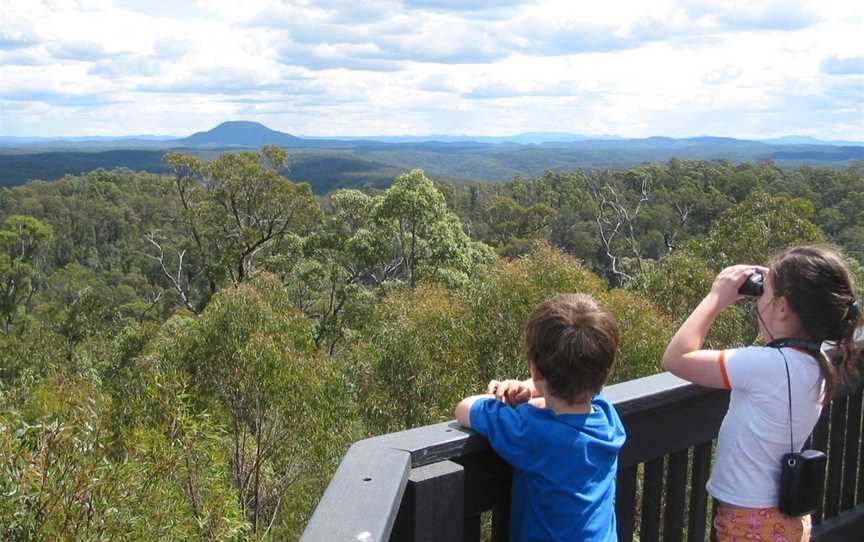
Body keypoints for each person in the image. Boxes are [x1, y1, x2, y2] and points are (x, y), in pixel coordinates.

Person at [662, 245, 861, 542]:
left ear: (783, 308)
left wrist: (717, 297)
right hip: (787, 517)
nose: (759, 301)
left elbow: (675, 358)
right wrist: (778, 286)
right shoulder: (823, 360)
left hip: (750, 522)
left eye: (764, 294)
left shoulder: (764, 364)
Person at [455, 293, 626, 542]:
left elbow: (465, 408)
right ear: (604, 372)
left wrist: (505, 391)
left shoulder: (532, 431)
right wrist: (530, 387)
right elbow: (575, 394)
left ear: (534, 368)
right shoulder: (609, 421)